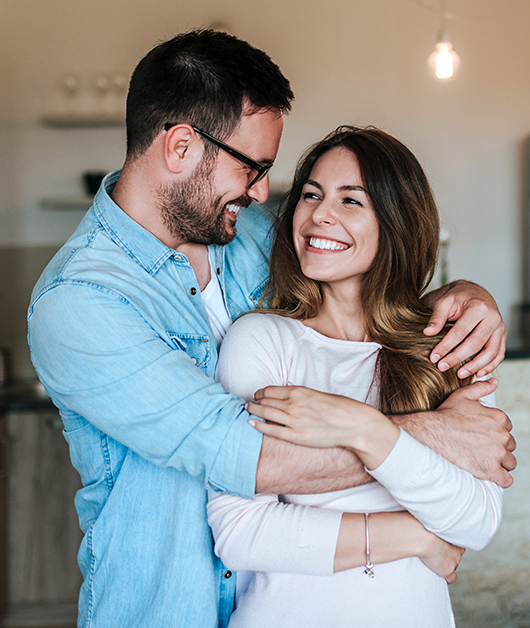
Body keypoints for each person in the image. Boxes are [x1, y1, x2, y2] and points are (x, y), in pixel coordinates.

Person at [27, 30, 513, 628]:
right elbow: (242, 455)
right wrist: (435, 436)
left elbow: (359, 278)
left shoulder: (247, 234)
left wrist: (465, 297)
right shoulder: (80, 301)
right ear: (180, 147)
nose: (262, 192)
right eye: (253, 167)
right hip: (167, 610)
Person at [207, 126, 503, 627]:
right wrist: (417, 537)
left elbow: (477, 521)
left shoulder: (446, 347)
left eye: (351, 200)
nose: (320, 214)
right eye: (311, 195)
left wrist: (363, 428)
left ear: (397, 223)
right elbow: (240, 534)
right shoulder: (262, 340)